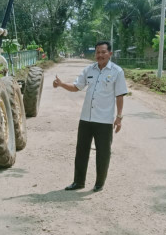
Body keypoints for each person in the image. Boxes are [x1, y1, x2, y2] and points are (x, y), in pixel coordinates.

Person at [53, 41, 128, 192]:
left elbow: (120, 96)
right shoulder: (89, 70)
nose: (100, 55)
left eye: (103, 52)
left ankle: (99, 183)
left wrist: (119, 117)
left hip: (104, 120)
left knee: (103, 153)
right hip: (86, 119)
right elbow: (76, 87)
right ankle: (78, 182)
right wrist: (61, 84)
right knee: (81, 151)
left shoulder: (117, 72)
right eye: (97, 52)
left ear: (110, 54)